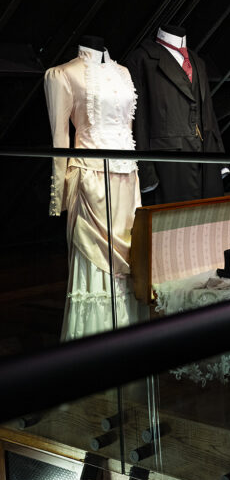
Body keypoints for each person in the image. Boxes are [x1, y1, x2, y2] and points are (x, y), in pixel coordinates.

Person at [44, 36, 143, 339]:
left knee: (132, 258)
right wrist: (58, 197)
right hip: (90, 181)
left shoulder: (124, 73)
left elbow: (128, 129)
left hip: (128, 180)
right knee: (95, 261)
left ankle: (132, 334)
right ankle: (94, 340)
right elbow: (60, 139)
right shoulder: (62, 74)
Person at [125, 24, 226, 204]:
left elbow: (208, 113)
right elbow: (138, 121)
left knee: (210, 224)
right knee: (174, 225)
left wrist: (221, 159)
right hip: (169, 165)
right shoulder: (142, 59)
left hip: (206, 159)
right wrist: (146, 172)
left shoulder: (197, 61)